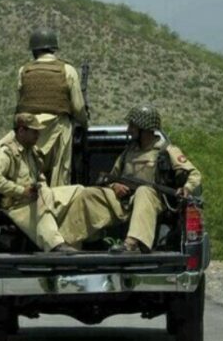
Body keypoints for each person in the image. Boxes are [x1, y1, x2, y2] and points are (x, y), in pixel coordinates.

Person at [61, 105, 202, 253]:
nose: (129, 130)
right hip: (125, 201)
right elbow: (110, 178)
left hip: (153, 202)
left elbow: (194, 174)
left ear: (144, 130)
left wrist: (186, 188)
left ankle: (132, 243)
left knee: (144, 191)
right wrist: (115, 186)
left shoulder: (166, 151)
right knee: (89, 194)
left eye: (133, 127)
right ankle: (68, 242)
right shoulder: (128, 153)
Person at [0, 113, 81, 252]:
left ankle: (81, 238)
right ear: (22, 131)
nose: (38, 135)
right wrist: (21, 191)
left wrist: (43, 189)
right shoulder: (6, 152)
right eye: (34, 131)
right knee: (44, 199)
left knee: (78, 191)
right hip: (18, 205)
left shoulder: (31, 153)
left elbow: (40, 177)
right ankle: (55, 245)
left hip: (35, 198)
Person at [16, 27, 88, 186]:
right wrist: (84, 123)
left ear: (34, 51)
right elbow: (78, 106)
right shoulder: (67, 70)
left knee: (28, 178)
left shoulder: (24, 71)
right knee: (60, 178)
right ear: (53, 48)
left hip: (30, 130)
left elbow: (19, 106)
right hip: (59, 130)